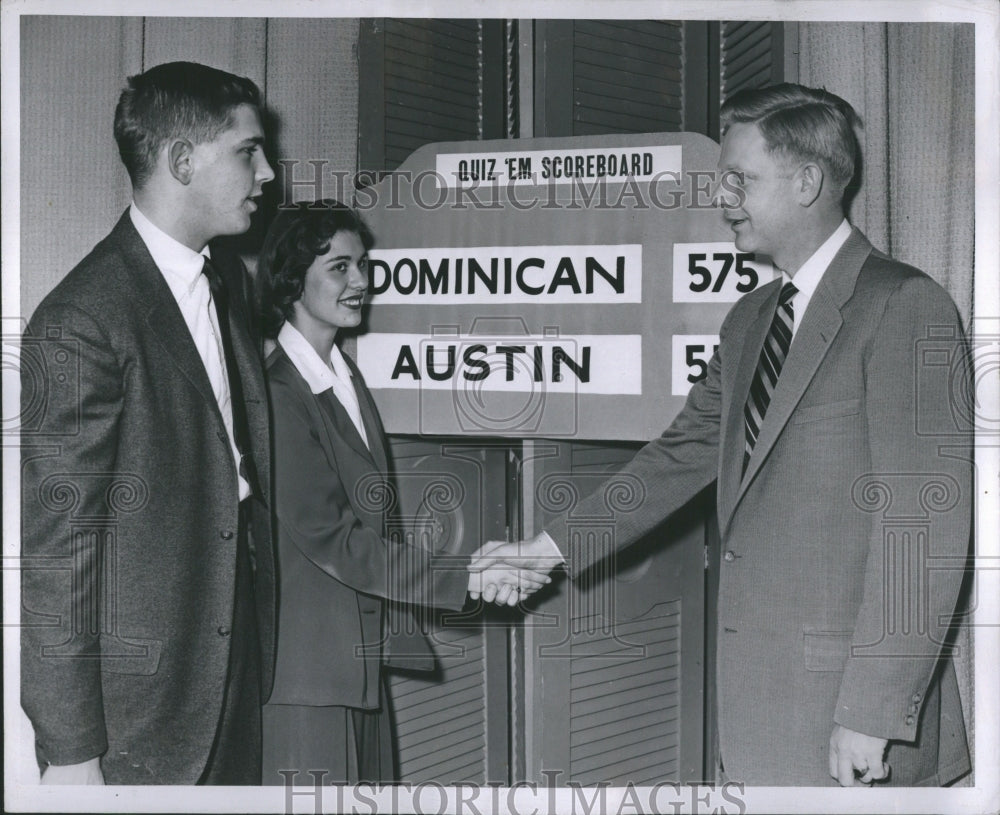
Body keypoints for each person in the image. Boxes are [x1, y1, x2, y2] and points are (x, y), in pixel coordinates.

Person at [470, 83, 972, 787]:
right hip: (762, 708)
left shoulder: (904, 305)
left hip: (854, 720)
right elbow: (677, 459)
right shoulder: (751, 317)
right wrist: (546, 549)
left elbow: (923, 526)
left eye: (741, 178)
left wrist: (875, 710)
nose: (722, 196)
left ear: (807, 182)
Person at [20, 61, 277, 785]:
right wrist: (72, 752)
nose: (268, 172)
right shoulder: (83, 318)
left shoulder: (224, 287)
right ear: (183, 160)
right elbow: (58, 553)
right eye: (248, 151)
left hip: (227, 671)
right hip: (142, 715)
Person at [256, 200, 545, 785]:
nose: (362, 281)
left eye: (362, 265)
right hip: (308, 678)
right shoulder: (278, 396)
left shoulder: (343, 374)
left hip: (359, 663)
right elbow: (336, 539)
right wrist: (464, 575)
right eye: (340, 267)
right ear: (293, 277)